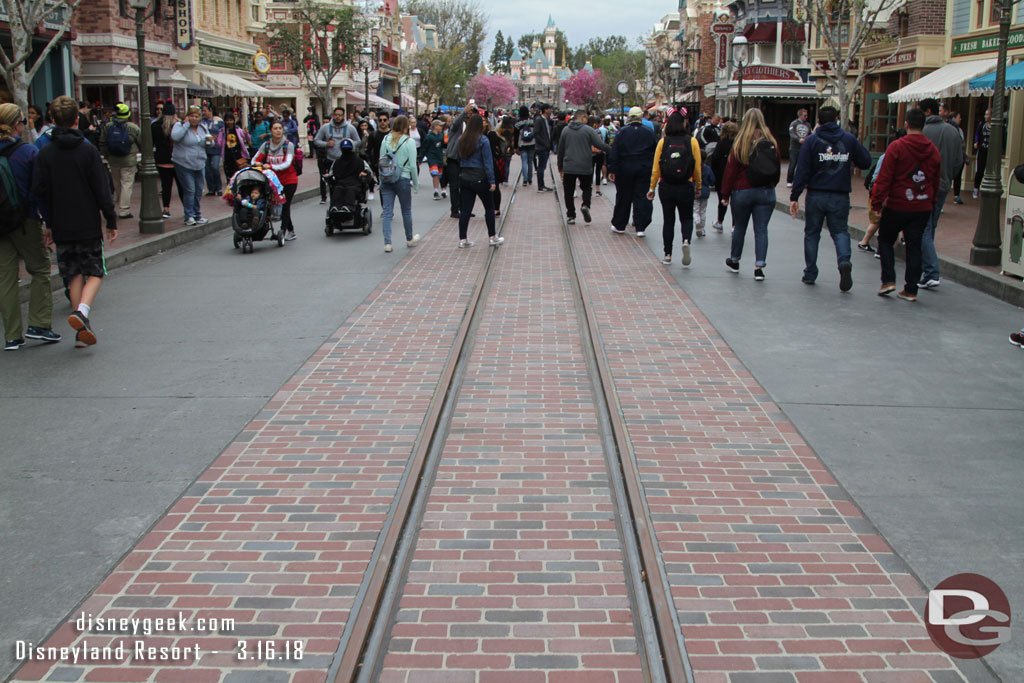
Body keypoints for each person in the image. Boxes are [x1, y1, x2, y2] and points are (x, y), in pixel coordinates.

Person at [31, 95, 118, 348]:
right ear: (76, 119)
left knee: (73, 273)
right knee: (95, 271)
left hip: (60, 223)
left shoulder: (45, 152)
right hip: (87, 222)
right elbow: (102, 190)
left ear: (53, 120)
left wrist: (48, 221)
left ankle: (82, 329)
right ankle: (82, 312)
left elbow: (38, 191)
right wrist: (110, 219)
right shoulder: (87, 150)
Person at [789, 105, 872, 291]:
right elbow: (866, 161)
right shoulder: (848, 139)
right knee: (840, 231)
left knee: (812, 233)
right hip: (839, 193)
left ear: (818, 121)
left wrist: (795, 195)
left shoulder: (811, 141)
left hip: (816, 193)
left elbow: (802, 170)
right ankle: (844, 261)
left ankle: (810, 272)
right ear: (836, 120)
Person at [0, 103, 62, 349]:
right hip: (25, 219)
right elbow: (39, 190)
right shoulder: (27, 152)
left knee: (5, 278)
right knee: (39, 271)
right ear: (17, 123)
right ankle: (39, 324)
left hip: (0, 224)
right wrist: (48, 222)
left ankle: (12, 335)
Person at [870, 108, 941, 302]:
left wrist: (877, 202)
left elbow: (885, 177)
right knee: (914, 246)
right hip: (922, 205)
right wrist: (931, 202)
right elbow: (935, 179)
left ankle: (888, 280)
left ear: (907, 124)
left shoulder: (897, 147)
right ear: (923, 125)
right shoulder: (933, 150)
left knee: (885, 239)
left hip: (898, 203)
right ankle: (911, 288)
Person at [721, 108, 781, 281]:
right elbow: (776, 167)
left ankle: (735, 260)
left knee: (740, 227)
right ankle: (759, 266)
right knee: (761, 229)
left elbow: (730, 171)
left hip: (743, 190)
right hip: (765, 190)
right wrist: (772, 185)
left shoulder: (741, 142)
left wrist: (725, 194)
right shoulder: (771, 142)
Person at [919, 98, 964, 290]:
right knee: (931, 225)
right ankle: (927, 268)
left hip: (925, 185)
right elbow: (958, 160)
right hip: (944, 184)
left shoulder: (923, 132)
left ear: (928, 111)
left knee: (923, 228)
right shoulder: (954, 131)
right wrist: (948, 178)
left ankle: (930, 271)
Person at [647, 108, 701, 266]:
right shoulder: (692, 142)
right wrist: (698, 185)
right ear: (684, 123)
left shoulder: (663, 142)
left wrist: (651, 188)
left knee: (668, 220)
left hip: (667, 186)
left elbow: (656, 168)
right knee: (686, 217)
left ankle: (668, 254)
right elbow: (697, 167)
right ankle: (685, 240)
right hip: (686, 184)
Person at [607, 106, 657, 237]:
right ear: (641, 117)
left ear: (629, 117)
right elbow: (655, 152)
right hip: (644, 168)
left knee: (624, 196)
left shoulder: (621, 132)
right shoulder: (649, 132)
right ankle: (640, 226)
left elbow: (614, 152)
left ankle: (620, 224)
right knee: (642, 197)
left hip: (625, 168)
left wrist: (612, 169)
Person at [456, 113, 503, 248]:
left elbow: (458, 157)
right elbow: (488, 162)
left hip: (465, 176)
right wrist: (492, 180)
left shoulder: (461, 139)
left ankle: (462, 238)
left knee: (465, 210)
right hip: (480, 176)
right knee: (489, 207)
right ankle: (492, 236)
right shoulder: (483, 140)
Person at [558, 110, 611, 226]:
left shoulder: (565, 131)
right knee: (587, 188)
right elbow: (599, 144)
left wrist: (560, 166)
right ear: (582, 118)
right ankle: (585, 205)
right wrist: (611, 149)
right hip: (585, 165)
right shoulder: (588, 130)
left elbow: (560, 149)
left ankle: (571, 215)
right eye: (586, 118)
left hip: (569, 165)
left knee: (568, 191)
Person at [858, 129, 907, 254]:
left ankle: (872, 244)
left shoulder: (892, 156)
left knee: (883, 221)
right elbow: (877, 177)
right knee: (883, 221)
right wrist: (877, 199)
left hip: (884, 193)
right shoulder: (886, 157)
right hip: (884, 193)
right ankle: (881, 249)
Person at [377, 115, 420, 253]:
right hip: (403, 178)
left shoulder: (385, 139)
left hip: (387, 179)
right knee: (406, 210)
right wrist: (416, 183)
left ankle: (387, 243)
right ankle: (409, 238)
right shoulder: (409, 142)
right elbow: (413, 165)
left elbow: (381, 161)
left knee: (387, 212)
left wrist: (380, 179)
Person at [252, 120, 298, 240]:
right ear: (271, 131)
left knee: (285, 205)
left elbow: (287, 163)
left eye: (280, 128)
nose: (278, 131)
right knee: (269, 204)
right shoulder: (266, 145)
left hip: (289, 180)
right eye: (275, 128)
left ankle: (283, 230)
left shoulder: (288, 145)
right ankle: (291, 230)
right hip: (271, 181)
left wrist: (271, 166)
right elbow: (255, 159)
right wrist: (257, 163)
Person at [98, 102, 141, 219]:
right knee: (127, 184)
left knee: (117, 184)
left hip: (113, 161)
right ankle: (124, 210)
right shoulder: (133, 128)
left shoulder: (108, 127)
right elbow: (142, 143)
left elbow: (102, 143)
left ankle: (121, 203)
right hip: (128, 160)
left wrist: (106, 156)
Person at [170, 105, 212, 225]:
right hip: (184, 163)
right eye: (191, 116)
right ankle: (189, 216)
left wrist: (209, 142)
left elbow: (206, 143)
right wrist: (186, 125)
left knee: (199, 190)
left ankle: (197, 214)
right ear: (187, 116)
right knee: (190, 189)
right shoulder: (179, 126)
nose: (194, 118)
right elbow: (175, 137)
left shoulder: (202, 128)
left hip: (199, 163)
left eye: (197, 116)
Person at [314, 108, 360, 204]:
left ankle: (348, 203)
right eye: (336, 115)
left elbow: (358, 142)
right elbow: (316, 140)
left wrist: (349, 142)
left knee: (347, 184)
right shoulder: (325, 128)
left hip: (346, 161)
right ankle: (334, 204)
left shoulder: (350, 128)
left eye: (340, 115)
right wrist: (326, 144)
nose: (338, 117)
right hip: (331, 160)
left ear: (344, 116)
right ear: (333, 115)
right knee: (333, 185)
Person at [152, 101, 182, 219]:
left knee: (166, 186)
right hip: (177, 159)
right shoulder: (178, 125)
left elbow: (152, 142)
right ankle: (187, 208)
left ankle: (166, 208)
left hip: (162, 159)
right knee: (182, 186)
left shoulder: (155, 125)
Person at [444, 104, 473, 218]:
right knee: (455, 185)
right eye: (468, 113)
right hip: (454, 158)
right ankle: (454, 210)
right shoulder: (456, 126)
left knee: (465, 185)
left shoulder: (469, 126)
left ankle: (464, 208)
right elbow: (455, 123)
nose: (469, 114)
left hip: (465, 158)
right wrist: (464, 112)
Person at [708, 121, 737, 231]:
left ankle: (720, 221)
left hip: (722, 175)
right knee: (735, 201)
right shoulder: (737, 143)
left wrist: (715, 172)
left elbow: (714, 159)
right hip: (735, 175)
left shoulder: (721, 143)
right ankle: (734, 225)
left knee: (723, 199)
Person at [484, 118, 509, 216]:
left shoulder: (491, 134)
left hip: (494, 162)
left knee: (495, 186)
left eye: (484, 121)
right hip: (488, 163)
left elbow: (494, 147)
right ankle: (492, 208)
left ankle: (496, 208)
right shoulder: (480, 135)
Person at [218, 111, 251, 178]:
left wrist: (246, 133)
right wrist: (217, 138)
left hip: (238, 156)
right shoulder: (222, 131)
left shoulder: (238, 129)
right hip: (227, 158)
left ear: (233, 120)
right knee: (229, 177)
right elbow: (219, 144)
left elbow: (247, 138)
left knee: (239, 176)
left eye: (231, 120)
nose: (229, 122)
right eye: (227, 120)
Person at [201, 103, 224, 196]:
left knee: (215, 167)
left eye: (205, 110)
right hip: (205, 148)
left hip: (215, 149)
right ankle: (211, 189)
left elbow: (223, 132)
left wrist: (217, 137)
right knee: (207, 169)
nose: (203, 113)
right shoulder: (202, 122)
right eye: (202, 111)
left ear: (210, 111)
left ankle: (218, 187)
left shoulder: (218, 121)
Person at [786, 108, 811, 187]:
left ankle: (802, 181)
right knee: (792, 164)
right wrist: (798, 139)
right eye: (804, 115)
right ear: (800, 115)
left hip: (804, 148)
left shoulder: (808, 125)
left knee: (803, 165)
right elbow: (791, 133)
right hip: (794, 147)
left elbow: (810, 134)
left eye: (807, 115)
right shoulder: (793, 123)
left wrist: (806, 140)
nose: (806, 117)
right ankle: (789, 180)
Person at [533, 104, 554, 192]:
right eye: (549, 109)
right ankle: (540, 186)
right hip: (542, 147)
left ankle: (542, 185)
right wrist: (545, 143)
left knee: (542, 166)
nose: (551, 111)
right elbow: (536, 133)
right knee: (541, 167)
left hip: (545, 147)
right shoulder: (539, 120)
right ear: (545, 110)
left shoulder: (546, 120)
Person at [693, 151, 714, 239]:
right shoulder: (707, 168)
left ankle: (697, 222)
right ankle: (702, 228)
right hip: (705, 191)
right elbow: (712, 180)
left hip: (695, 190)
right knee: (703, 211)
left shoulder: (694, 168)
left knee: (695, 210)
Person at [422, 119, 445, 198]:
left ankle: (442, 189)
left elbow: (444, 145)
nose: (441, 127)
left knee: (440, 174)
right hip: (432, 158)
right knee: (435, 173)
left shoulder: (441, 135)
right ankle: (435, 190)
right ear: (435, 126)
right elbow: (424, 147)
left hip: (439, 157)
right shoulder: (429, 136)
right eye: (440, 125)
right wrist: (420, 158)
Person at [514, 106, 536, 187]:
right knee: (530, 161)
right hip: (532, 143)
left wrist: (516, 147)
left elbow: (515, 136)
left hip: (522, 144)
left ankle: (525, 180)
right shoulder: (532, 121)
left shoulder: (517, 123)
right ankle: (530, 179)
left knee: (524, 161)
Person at [973, 108, 991, 199]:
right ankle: (976, 188)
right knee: (980, 170)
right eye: (985, 114)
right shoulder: (982, 125)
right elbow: (977, 134)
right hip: (982, 150)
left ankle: (987, 189)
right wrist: (977, 141)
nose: (985, 116)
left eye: (987, 114)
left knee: (990, 171)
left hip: (991, 152)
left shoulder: (996, 126)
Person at [949, 111, 965, 205]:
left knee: (957, 176)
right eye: (959, 117)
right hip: (952, 156)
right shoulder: (951, 130)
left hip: (958, 156)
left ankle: (956, 195)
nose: (960, 119)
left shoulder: (960, 130)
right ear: (954, 118)